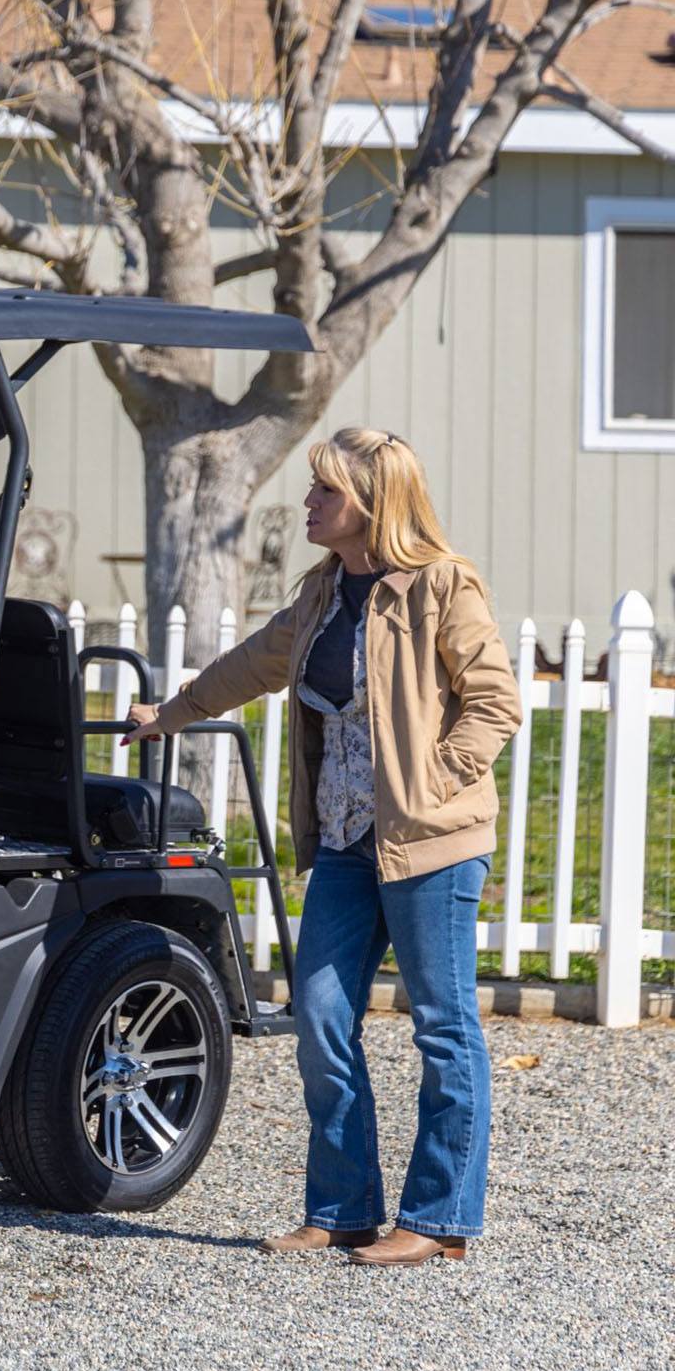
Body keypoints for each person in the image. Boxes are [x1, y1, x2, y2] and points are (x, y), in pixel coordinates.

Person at [126, 427, 521, 1266]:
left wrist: (434, 780)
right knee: (321, 1017)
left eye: (325, 492)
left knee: (444, 1029)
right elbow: (254, 664)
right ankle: (342, 1209)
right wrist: (171, 714)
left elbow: (494, 702)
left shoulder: (441, 587)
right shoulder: (322, 592)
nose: (308, 502)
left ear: (373, 504)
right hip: (345, 844)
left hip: (432, 845)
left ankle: (439, 1219)